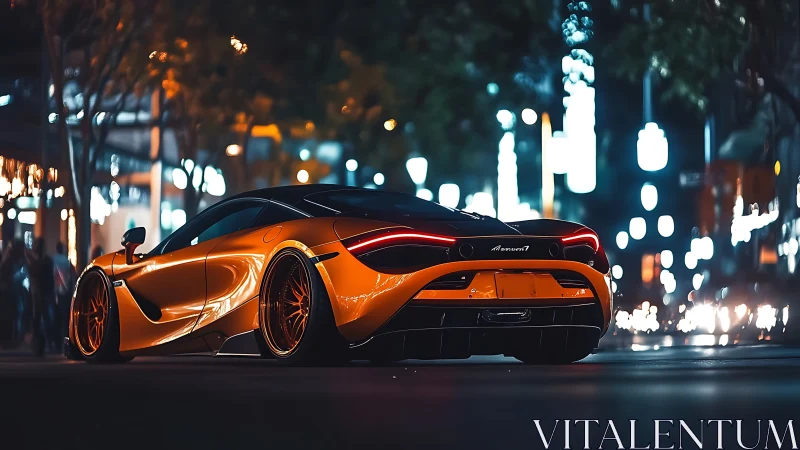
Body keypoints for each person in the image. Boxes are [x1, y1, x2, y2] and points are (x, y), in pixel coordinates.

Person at [25, 238, 56, 356]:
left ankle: (41, 345)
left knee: (39, 319)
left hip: (39, 294)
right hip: (43, 294)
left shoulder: (40, 261)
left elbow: (34, 271)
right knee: (43, 319)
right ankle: (46, 344)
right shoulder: (47, 260)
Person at [53, 242, 76, 350]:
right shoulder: (67, 261)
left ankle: (57, 343)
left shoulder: (53, 260)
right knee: (66, 318)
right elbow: (73, 276)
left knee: (57, 318)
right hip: (66, 293)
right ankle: (67, 341)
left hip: (56, 293)